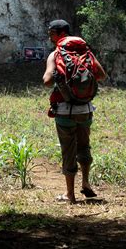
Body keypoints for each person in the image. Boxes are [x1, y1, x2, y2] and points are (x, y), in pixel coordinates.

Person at [43, 19, 106, 204]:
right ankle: (85, 182)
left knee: (68, 150)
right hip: (85, 109)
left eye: (51, 33)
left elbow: (47, 81)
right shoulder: (86, 52)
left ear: (59, 33)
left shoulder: (55, 54)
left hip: (64, 111)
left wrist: (57, 77)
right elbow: (101, 75)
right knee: (84, 146)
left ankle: (70, 195)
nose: (49, 36)